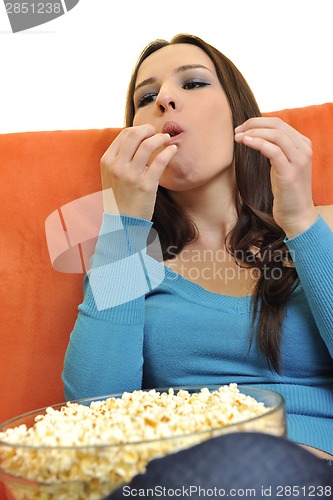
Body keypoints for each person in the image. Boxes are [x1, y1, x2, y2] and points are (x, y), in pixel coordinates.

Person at [62, 34, 333, 460]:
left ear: (239, 114)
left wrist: (300, 222)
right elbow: (92, 418)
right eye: (146, 96)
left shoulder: (322, 226)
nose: (165, 99)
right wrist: (125, 223)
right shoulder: (127, 255)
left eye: (192, 84)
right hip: (178, 474)